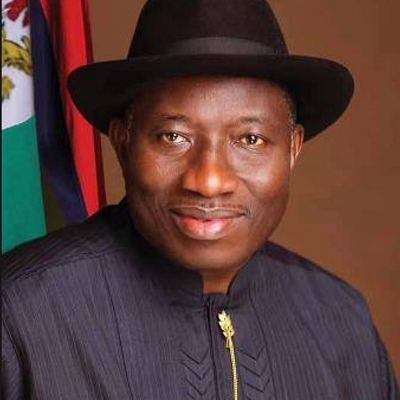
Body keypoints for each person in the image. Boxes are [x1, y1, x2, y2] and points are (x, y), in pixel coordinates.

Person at [2, 0, 399, 398]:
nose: (209, 181)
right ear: (123, 143)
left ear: (293, 149)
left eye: (251, 139)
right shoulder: (20, 312)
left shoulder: (342, 323)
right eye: (174, 137)